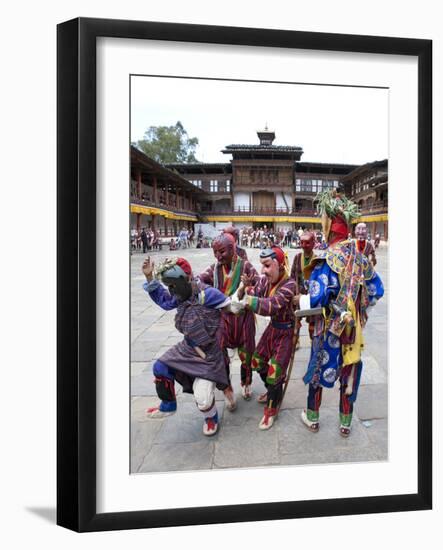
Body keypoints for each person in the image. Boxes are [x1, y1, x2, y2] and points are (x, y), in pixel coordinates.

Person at [296, 190, 384, 437]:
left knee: (318, 371)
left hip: (329, 330)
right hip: (353, 332)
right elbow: (377, 290)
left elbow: (317, 297)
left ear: (329, 228)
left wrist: (303, 301)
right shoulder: (360, 257)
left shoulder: (325, 259)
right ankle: (345, 423)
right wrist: (359, 310)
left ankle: (312, 418)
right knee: (349, 373)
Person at [142, 256, 231, 436]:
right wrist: (150, 277)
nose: (172, 290)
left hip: (210, 354)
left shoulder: (209, 295)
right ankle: (168, 405)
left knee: (203, 399)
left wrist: (245, 304)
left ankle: (211, 417)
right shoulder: (180, 296)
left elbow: (231, 306)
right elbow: (165, 301)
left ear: (187, 278)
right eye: (170, 286)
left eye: (173, 285)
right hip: (188, 348)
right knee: (160, 367)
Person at [233, 246, 296, 430]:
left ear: (279, 264)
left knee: (274, 373)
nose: (263, 271)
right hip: (272, 329)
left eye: (267, 266)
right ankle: (272, 391)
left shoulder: (290, 284)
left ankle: (271, 410)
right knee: (256, 363)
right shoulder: (265, 281)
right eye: (262, 266)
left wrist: (246, 301)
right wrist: (244, 288)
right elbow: (255, 292)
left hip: (286, 332)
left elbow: (271, 305)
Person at [199, 233, 259, 404]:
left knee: (247, 353)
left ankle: (246, 382)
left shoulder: (246, 266)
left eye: (222, 252)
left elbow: (259, 285)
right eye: (215, 252)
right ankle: (227, 388)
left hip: (243, 318)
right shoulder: (214, 268)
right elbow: (200, 281)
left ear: (233, 249)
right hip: (224, 319)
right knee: (221, 356)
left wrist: (246, 290)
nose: (218, 256)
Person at [290, 231, 317, 349]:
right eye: (302, 242)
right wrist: (292, 291)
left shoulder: (317, 259)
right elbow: (292, 276)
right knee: (295, 321)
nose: (304, 245)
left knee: (313, 323)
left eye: (307, 243)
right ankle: (297, 340)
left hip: (311, 296)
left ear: (313, 244)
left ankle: (313, 341)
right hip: (298, 294)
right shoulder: (297, 257)